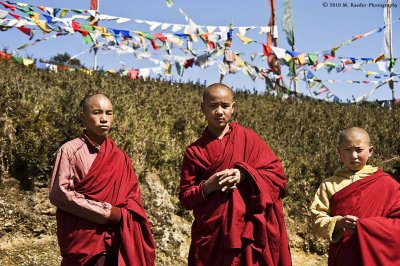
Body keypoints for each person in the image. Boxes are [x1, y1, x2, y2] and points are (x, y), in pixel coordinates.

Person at [179, 83, 291, 266]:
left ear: (233, 108)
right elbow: (185, 198)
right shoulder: (194, 152)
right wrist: (208, 187)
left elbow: (277, 175)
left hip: (246, 231)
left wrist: (245, 174)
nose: (219, 111)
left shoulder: (249, 139)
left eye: (224, 106)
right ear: (202, 108)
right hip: (211, 237)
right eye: (213, 105)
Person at [49, 93, 155, 266]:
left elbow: (133, 196)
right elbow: (59, 194)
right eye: (97, 112)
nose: (104, 119)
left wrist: (124, 215)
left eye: (109, 113)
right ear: (83, 117)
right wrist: (107, 213)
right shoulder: (69, 151)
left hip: (116, 240)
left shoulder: (120, 156)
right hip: (84, 240)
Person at [311, 126, 400, 265]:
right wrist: (338, 223)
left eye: (359, 150)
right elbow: (317, 219)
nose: (353, 156)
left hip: (375, 254)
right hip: (343, 255)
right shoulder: (329, 185)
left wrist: (371, 226)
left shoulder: (387, 183)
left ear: (370, 151)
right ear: (339, 151)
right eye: (347, 150)